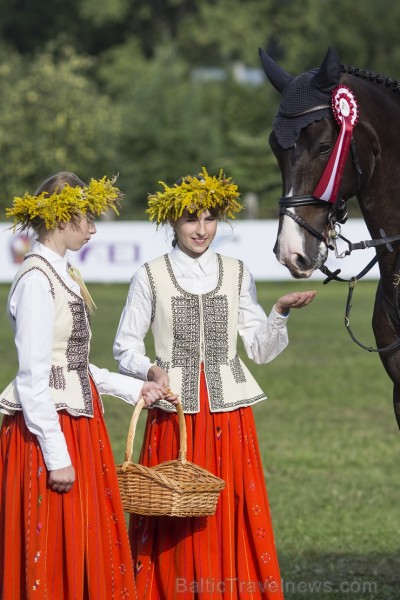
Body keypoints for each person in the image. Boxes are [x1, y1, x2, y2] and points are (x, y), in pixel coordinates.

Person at [113, 167, 316, 599]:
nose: (201, 229)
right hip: (175, 413)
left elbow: (258, 349)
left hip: (229, 413)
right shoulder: (150, 275)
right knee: (172, 509)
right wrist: (151, 370)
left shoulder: (238, 272)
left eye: (209, 218)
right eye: (191, 219)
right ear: (173, 222)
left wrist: (279, 311)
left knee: (232, 505)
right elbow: (124, 347)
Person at [0, 171, 177, 599]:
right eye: (88, 218)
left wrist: (133, 387)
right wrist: (57, 455)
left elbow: (74, 364)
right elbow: (33, 376)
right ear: (63, 218)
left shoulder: (59, 274)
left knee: (84, 535)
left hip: (77, 423)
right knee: (54, 540)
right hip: (50, 432)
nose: (94, 228)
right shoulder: (38, 281)